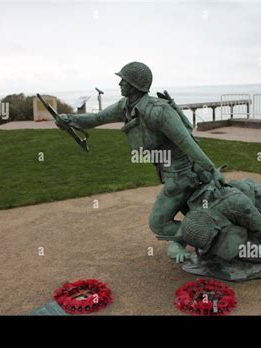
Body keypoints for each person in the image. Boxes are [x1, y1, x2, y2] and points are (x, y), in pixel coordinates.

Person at [56, 62, 224, 260]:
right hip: (169, 174)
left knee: (159, 223)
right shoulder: (125, 106)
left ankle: (215, 240)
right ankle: (193, 238)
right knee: (185, 214)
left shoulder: (159, 111)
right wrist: (69, 119)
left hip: (182, 175)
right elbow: (96, 118)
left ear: (135, 85)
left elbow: (188, 143)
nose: (119, 83)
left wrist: (212, 170)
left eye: (124, 80)